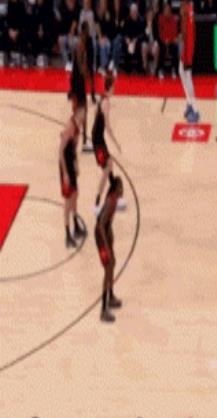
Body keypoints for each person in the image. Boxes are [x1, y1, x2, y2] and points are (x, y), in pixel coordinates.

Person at [92, 72, 127, 213]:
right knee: (107, 168)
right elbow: (107, 126)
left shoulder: (102, 98)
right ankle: (96, 203)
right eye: (114, 86)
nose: (115, 89)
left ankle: (114, 197)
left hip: (98, 138)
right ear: (110, 87)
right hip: (97, 141)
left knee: (110, 165)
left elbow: (96, 116)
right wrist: (116, 143)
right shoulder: (106, 103)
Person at [96, 175, 123, 322]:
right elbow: (100, 224)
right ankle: (103, 309)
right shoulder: (110, 201)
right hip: (100, 236)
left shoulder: (115, 200)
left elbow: (108, 223)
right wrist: (106, 245)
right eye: (121, 186)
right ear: (116, 189)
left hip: (105, 234)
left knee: (113, 263)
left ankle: (111, 296)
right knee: (108, 268)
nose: (123, 189)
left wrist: (111, 237)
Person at [60, 104, 87, 248]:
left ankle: (76, 225)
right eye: (84, 113)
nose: (85, 116)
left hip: (70, 161)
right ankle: (67, 234)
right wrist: (65, 173)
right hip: (64, 163)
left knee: (75, 194)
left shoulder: (78, 127)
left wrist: (76, 163)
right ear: (78, 113)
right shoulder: (70, 126)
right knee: (68, 198)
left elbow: (74, 148)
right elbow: (61, 151)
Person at [68, 21, 93, 152]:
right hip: (78, 82)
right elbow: (81, 67)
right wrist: (89, 77)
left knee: (80, 112)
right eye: (87, 31)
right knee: (82, 112)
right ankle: (81, 142)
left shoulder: (80, 44)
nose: (88, 34)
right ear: (83, 32)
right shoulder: (81, 46)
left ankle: (79, 140)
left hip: (75, 82)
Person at [179, 0, 200, 122]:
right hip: (188, 45)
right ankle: (189, 103)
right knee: (181, 71)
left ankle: (195, 110)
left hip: (188, 46)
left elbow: (186, 32)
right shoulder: (189, 7)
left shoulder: (186, 10)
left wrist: (187, 51)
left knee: (187, 76)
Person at [56, 0, 80, 71]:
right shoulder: (61, 6)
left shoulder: (77, 7)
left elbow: (75, 23)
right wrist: (59, 35)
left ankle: (74, 63)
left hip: (74, 35)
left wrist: (71, 34)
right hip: (64, 34)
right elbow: (60, 24)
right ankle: (67, 63)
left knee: (74, 41)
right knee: (61, 40)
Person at [157, 1, 179, 79]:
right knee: (162, 49)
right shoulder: (160, 18)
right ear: (163, 10)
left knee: (175, 48)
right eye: (165, 9)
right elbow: (160, 32)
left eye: (168, 10)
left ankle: (174, 70)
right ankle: (161, 70)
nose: (167, 11)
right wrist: (164, 40)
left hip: (171, 41)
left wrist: (170, 40)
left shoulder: (174, 19)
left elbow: (174, 32)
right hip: (163, 41)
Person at [123, 3, 145, 73]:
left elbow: (143, 34)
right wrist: (127, 39)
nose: (134, 13)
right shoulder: (127, 21)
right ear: (130, 12)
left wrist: (136, 40)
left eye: (135, 11)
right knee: (128, 46)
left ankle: (140, 69)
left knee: (141, 46)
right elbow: (124, 32)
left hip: (137, 42)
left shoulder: (141, 20)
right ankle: (127, 69)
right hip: (129, 42)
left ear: (137, 12)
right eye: (132, 11)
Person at [5, 0, 27, 67]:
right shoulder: (9, 4)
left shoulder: (21, 4)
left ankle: (23, 57)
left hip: (20, 29)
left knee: (24, 35)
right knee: (5, 35)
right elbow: (8, 19)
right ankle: (9, 58)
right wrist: (10, 30)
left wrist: (17, 31)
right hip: (11, 30)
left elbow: (23, 19)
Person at [142, 8, 160, 75]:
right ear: (146, 15)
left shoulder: (155, 24)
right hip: (146, 44)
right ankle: (145, 67)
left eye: (152, 15)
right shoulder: (143, 23)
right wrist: (148, 28)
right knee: (143, 46)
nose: (150, 16)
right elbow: (143, 37)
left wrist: (154, 44)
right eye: (149, 15)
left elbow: (157, 37)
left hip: (153, 44)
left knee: (156, 47)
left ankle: (155, 69)